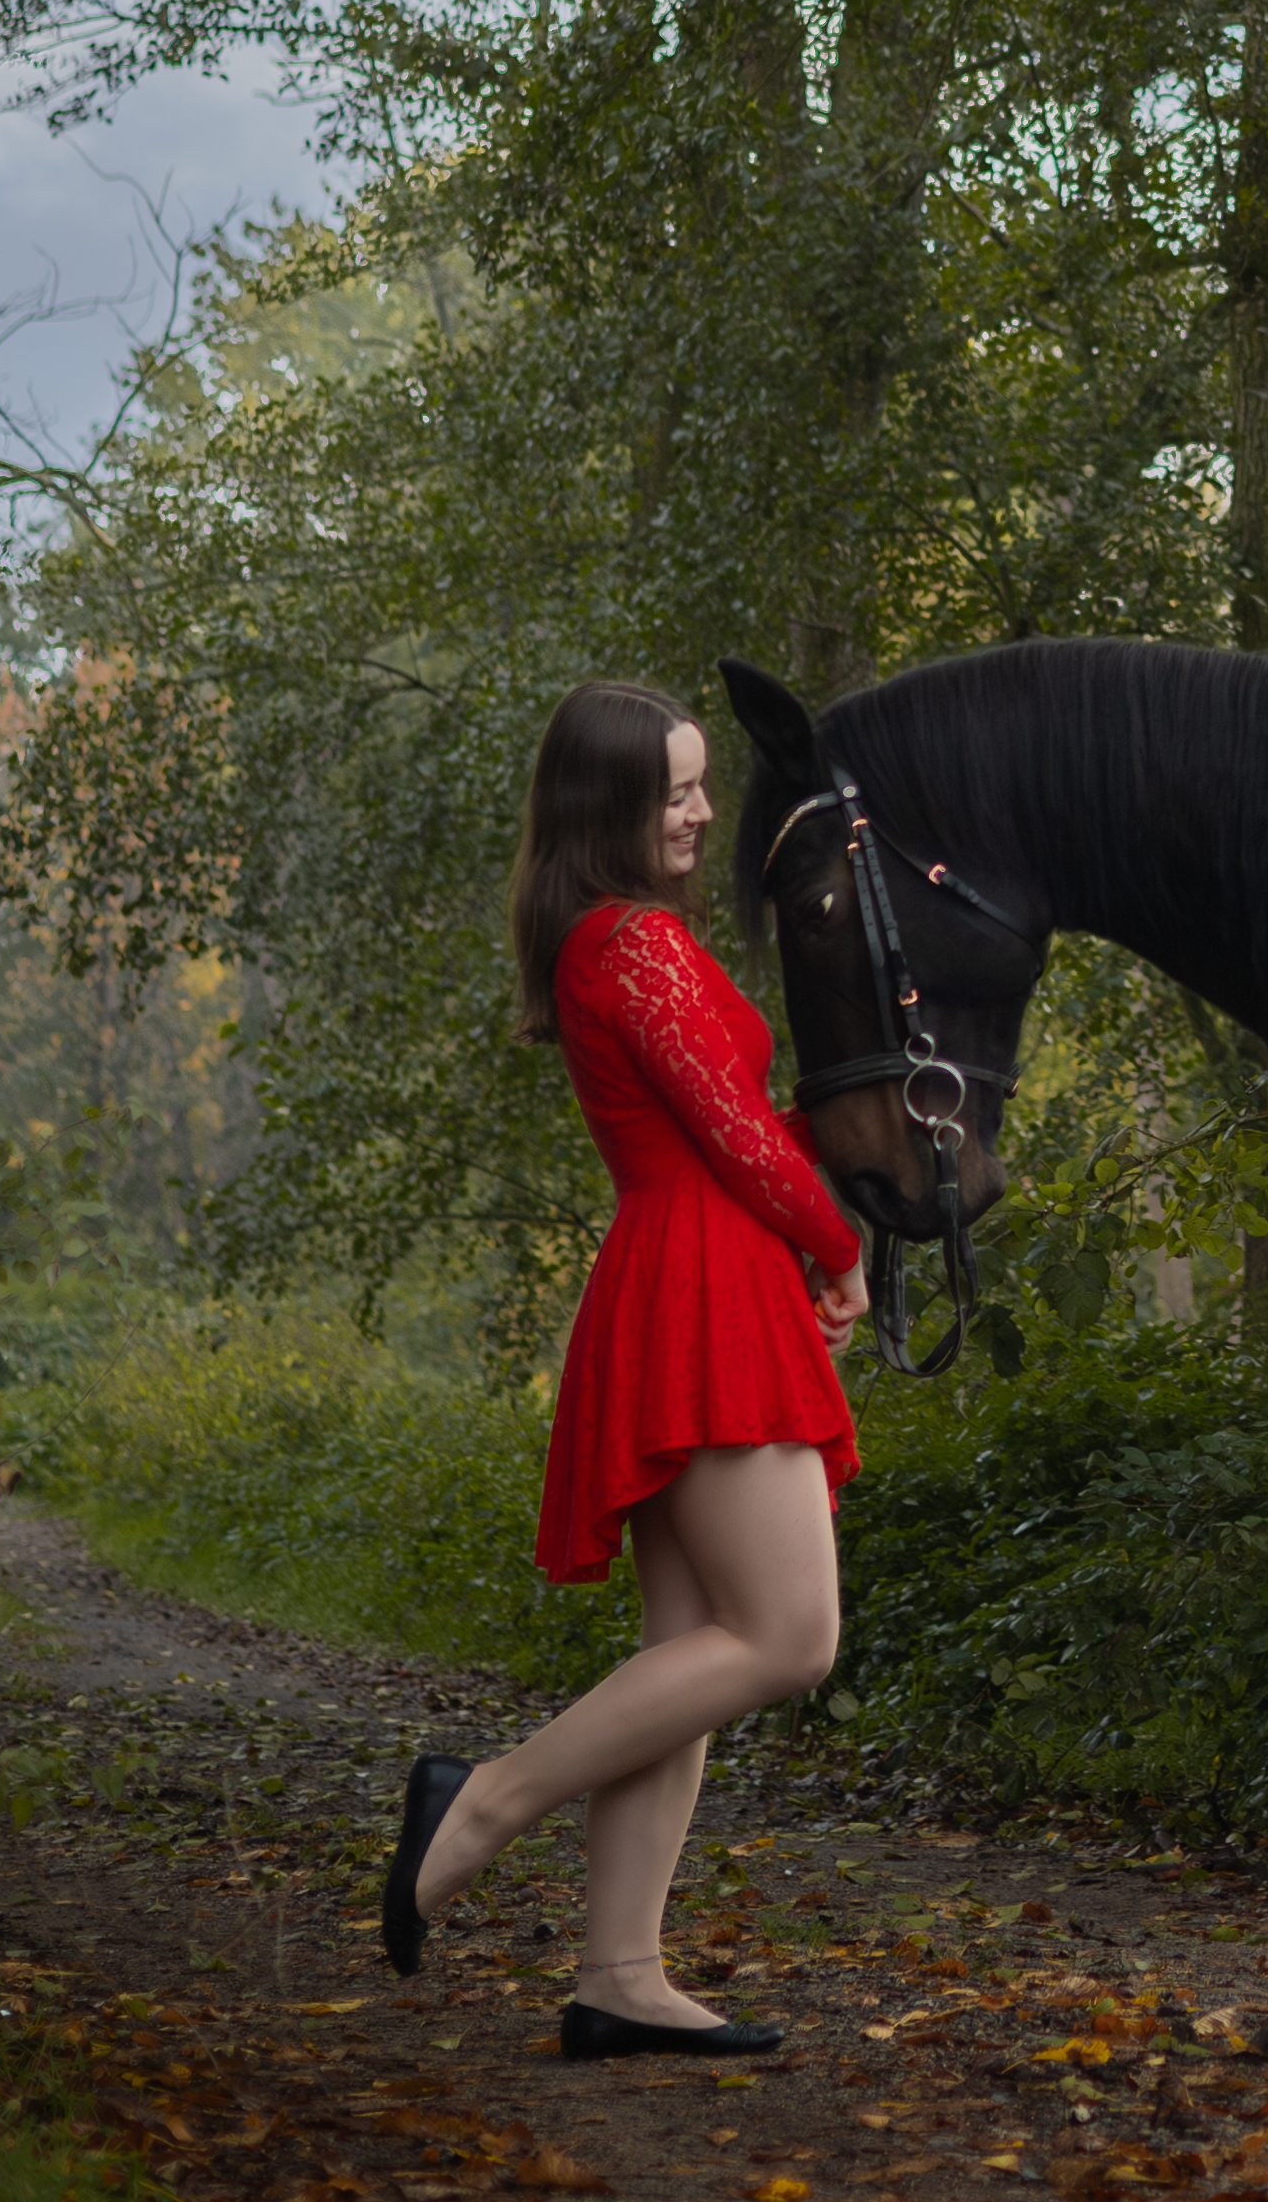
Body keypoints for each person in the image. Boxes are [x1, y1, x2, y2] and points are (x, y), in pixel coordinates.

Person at [380, 681, 880, 2059]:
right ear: (610, 809)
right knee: (789, 1638)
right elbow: (732, 1133)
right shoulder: (630, 943)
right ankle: (475, 1803)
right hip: (699, 1290)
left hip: (696, 1281)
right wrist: (836, 1244)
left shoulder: (618, 944)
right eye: (676, 792)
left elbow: (733, 1122)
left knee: (690, 1653)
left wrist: (814, 1234)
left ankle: (618, 1974)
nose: (704, 812)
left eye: (702, 784)